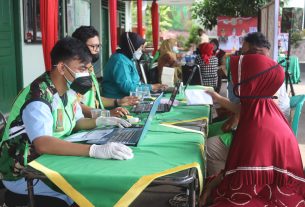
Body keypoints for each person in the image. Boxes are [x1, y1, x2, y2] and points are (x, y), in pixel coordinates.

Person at [0, 37, 134, 206]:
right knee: (83, 192)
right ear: (62, 68)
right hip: (24, 172)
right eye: (82, 68)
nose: (87, 74)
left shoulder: (68, 90)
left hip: (49, 161)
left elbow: (77, 122)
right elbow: (43, 143)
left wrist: (105, 120)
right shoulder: (38, 98)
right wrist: (94, 150)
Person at [201, 35, 305, 206]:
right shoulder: (262, 102)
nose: (237, 81)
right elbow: (241, 110)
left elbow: (242, 170)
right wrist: (217, 97)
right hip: (267, 173)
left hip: (259, 182)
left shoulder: (257, 126)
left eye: (241, 77)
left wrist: (212, 187)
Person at [207, 32, 290, 176]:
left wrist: (237, 116)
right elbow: (248, 107)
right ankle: (224, 183)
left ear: (256, 53)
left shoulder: (264, 76)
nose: (241, 57)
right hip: (264, 131)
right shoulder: (268, 71)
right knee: (210, 131)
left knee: (208, 146)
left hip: (264, 139)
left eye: (244, 53)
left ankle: (224, 186)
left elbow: (254, 110)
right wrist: (217, 98)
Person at [72, 26, 138, 118]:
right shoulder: (75, 71)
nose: (97, 50)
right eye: (93, 46)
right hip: (84, 124)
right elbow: (77, 105)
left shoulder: (90, 68)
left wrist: (117, 102)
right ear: (80, 47)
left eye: (98, 46)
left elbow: (95, 99)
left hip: (96, 121)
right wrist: (106, 114)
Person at [102, 32, 167, 99]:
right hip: (117, 102)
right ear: (133, 47)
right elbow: (128, 88)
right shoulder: (120, 61)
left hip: (128, 99)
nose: (142, 51)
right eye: (141, 48)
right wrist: (152, 87)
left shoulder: (127, 59)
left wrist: (151, 87)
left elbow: (135, 84)